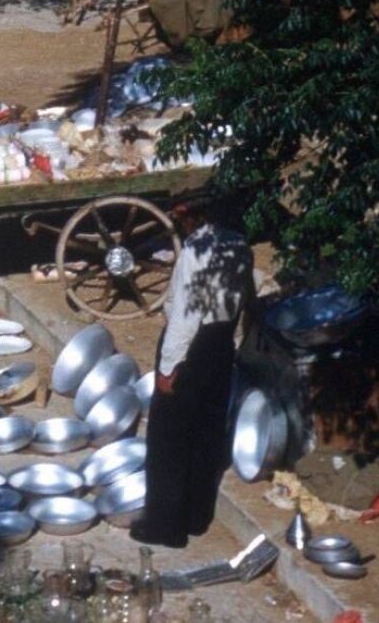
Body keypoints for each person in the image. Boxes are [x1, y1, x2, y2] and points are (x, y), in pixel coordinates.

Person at [133, 197, 252, 549]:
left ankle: (165, 526)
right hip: (221, 344)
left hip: (193, 347)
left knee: (169, 441)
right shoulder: (239, 246)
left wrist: (169, 367)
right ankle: (197, 516)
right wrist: (234, 343)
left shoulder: (196, 249)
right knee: (206, 434)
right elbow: (243, 303)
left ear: (192, 215)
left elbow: (186, 315)